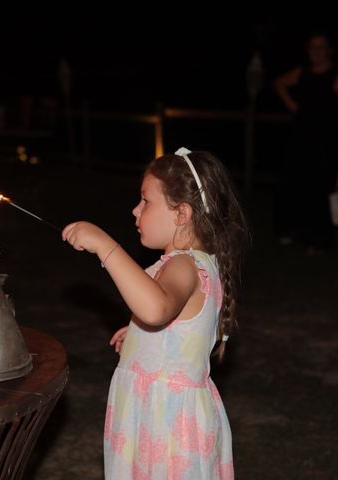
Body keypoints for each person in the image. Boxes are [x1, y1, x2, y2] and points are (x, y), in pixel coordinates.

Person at [62, 147, 248, 479]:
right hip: (153, 415)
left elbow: (156, 308)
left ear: (182, 214)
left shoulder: (186, 265)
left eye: (146, 201)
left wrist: (105, 246)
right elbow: (168, 318)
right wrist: (140, 335)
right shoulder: (184, 264)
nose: (135, 210)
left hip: (168, 426)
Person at [274, 33, 338, 253]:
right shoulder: (303, 72)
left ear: (329, 50)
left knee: (321, 189)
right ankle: (296, 232)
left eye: (321, 47)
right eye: (312, 47)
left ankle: (320, 240)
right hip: (301, 137)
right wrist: (292, 105)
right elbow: (280, 82)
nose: (316, 52)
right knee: (297, 184)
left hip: (327, 141)